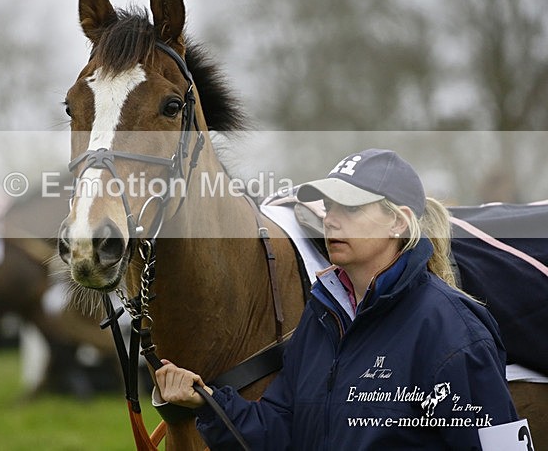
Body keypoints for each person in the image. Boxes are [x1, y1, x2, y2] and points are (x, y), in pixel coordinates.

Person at [156, 148, 519, 450]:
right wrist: (208, 402)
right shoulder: (321, 318)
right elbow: (280, 431)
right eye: (328, 206)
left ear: (399, 222)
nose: (330, 219)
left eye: (351, 207)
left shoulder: (453, 331)